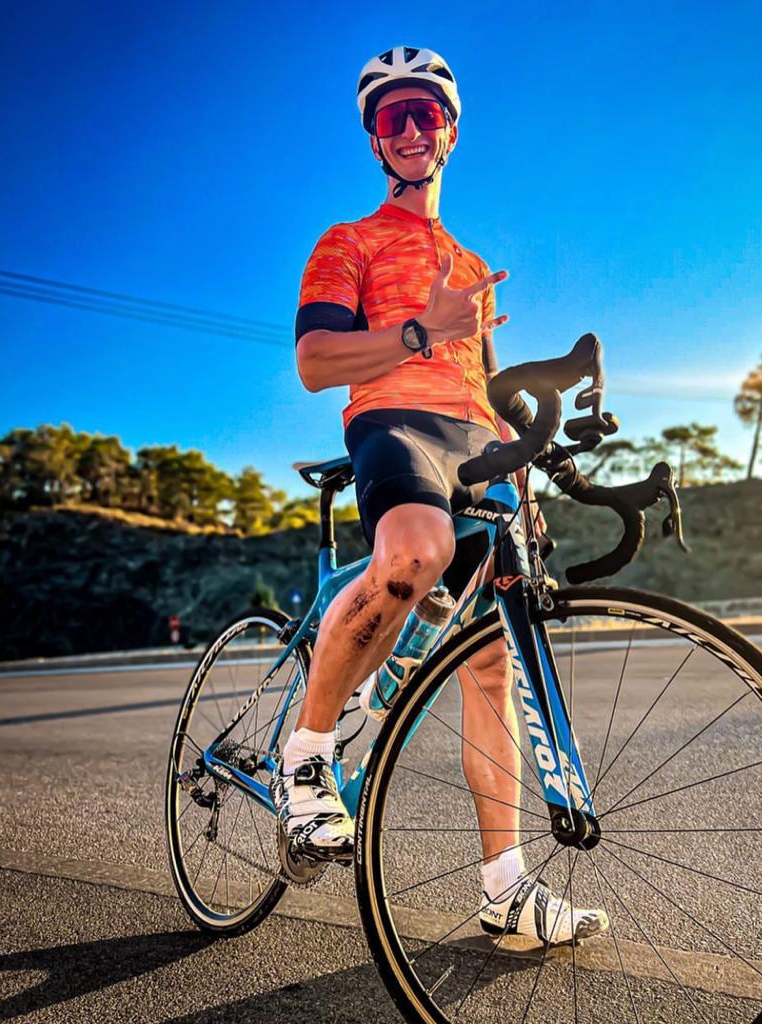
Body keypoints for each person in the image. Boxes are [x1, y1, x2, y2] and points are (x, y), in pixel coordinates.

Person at [272, 45, 607, 943]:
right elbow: (316, 362)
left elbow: (490, 393)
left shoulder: (470, 264)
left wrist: (527, 479)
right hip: (394, 423)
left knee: (491, 663)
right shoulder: (347, 242)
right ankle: (306, 755)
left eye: (427, 114)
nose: (412, 129)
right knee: (416, 552)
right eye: (394, 117)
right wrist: (421, 330)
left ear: (451, 132)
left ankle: (506, 888)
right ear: (375, 140)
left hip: (472, 447)